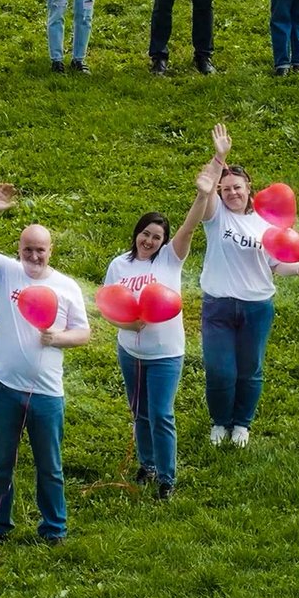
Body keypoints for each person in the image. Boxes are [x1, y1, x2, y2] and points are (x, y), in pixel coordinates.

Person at [0, 183, 93, 541]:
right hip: (4, 386)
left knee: (49, 466)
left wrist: (58, 338)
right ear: (19, 250)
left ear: (51, 251)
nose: (34, 256)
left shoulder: (67, 286)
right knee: (1, 462)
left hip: (48, 393)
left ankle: (54, 528)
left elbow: (84, 333)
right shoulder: (6, 271)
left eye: (41, 250)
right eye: (28, 249)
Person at [182, 125, 299, 448]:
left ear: (249, 189)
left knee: (250, 369)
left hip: (257, 306)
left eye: (237, 187)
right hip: (218, 305)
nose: (231, 193)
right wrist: (219, 157)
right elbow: (205, 189)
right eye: (226, 188)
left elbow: (275, 264)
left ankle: (242, 423)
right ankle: (220, 422)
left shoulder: (267, 222)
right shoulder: (216, 216)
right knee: (220, 370)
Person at [100, 207, 189, 499]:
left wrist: (203, 194)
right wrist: (128, 324)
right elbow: (106, 306)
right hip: (130, 352)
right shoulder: (119, 265)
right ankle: (146, 464)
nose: (149, 241)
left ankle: (167, 478)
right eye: (145, 234)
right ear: (137, 233)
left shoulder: (169, 259)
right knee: (140, 412)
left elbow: (189, 227)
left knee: (161, 414)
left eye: (157, 237)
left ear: (164, 242)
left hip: (165, 354)